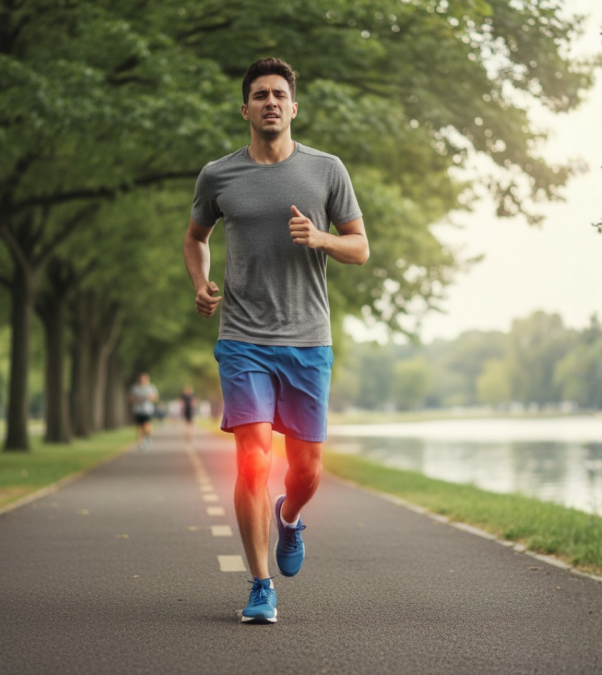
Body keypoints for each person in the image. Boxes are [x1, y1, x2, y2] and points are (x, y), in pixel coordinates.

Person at [182, 57, 368, 624]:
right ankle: (261, 584)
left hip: (309, 339)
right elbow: (195, 238)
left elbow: (360, 247)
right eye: (259, 94)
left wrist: (321, 239)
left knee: (306, 468)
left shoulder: (327, 170)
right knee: (253, 457)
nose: (269, 102)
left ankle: (289, 517)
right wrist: (202, 284)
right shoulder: (219, 176)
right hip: (243, 337)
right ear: (245, 109)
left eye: (278, 94)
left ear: (293, 106)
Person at [128, 373, 159, 452]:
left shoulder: (151, 387)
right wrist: (137, 399)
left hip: (147, 410)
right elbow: (130, 399)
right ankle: (141, 443)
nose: (143, 380)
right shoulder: (135, 388)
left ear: (147, 379)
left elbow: (155, 399)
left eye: (144, 379)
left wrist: (149, 397)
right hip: (138, 410)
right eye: (141, 379)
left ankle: (148, 438)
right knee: (139, 427)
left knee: (146, 425)